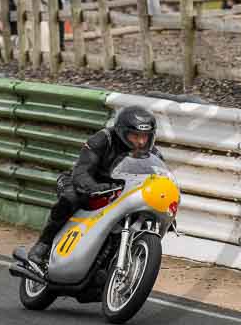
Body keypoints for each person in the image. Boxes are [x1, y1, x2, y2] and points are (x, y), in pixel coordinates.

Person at [27, 106, 160, 266]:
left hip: (118, 192)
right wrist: (95, 188)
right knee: (71, 197)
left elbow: (159, 177)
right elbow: (81, 171)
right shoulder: (104, 139)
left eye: (145, 136)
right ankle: (43, 245)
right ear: (122, 132)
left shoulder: (152, 154)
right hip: (81, 182)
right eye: (135, 135)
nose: (140, 141)